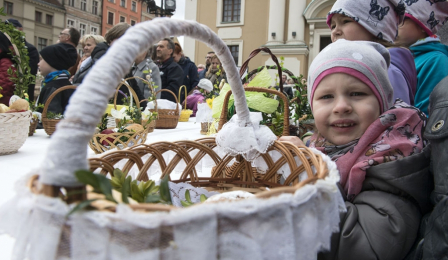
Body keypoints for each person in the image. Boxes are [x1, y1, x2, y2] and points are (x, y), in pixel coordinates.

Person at [280, 40, 431, 260]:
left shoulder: (393, 158)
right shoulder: (324, 146)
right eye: (326, 96)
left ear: (382, 103)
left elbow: (368, 247)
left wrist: (309, 169)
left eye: (357, 94)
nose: (341, 106)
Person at [327, 0, 417, 106]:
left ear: (375, 28)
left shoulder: (387, 69)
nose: (335, 32)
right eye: (333, 26)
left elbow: (397, 119)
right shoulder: (362, 65)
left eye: (346, 21)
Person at [395, 1, 448, 116]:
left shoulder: (435, 61)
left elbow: (430, 115)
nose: (392, 25)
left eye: (400, 20)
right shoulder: (392, 55)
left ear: (423, 26)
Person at [36, 43, 78, 115]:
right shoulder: (66, 84)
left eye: (42, 59)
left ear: (52, 62)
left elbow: (50, 117)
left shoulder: (53, 87)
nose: (38, 63)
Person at [6, 18, 39, 102]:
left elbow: (30, 74)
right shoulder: (5, 48)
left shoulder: (30, 50)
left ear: (20, 31)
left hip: (22, 96)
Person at [156, 38, 184, 103]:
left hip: (165, 108)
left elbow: (171, 92)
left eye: (161, 47)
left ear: (170, 51)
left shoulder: (175, 69)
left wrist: (154, 96)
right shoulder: (154, 66)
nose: (158, 49)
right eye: (157, 46)